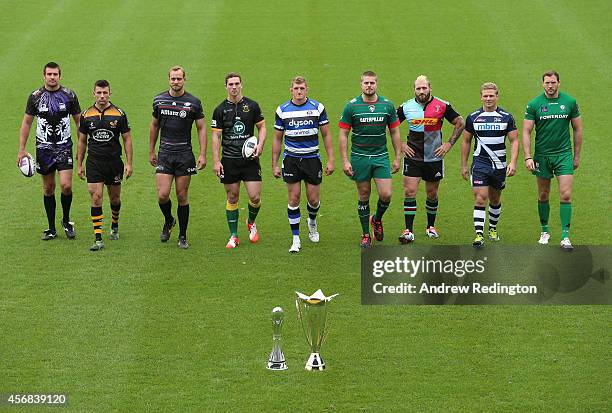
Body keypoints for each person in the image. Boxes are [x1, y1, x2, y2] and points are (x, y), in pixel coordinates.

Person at [396, 75, 464, 243]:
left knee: (432, 193)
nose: (421, 92)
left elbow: (460, 122)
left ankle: (430, 226)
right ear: (414, 90)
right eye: (418, 89)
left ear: (430, 88)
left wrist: (449, 144)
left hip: (434, 157)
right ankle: (408, 231)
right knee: (409, 191)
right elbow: (389, 125)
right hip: (413, 157)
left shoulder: (442, 105)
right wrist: (401, 144)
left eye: (424, 88)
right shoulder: (406, 107)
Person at [17, 62, 81, 240]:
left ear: (60, 75)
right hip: (44, 148)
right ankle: (52, 228)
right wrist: (22, 149)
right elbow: (27, 123)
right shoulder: (35, 97)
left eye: (55, 74)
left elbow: (79, 122)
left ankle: (66, 221)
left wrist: (82, 149)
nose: (52, 77)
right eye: (49, 74)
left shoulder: (69, 96)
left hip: (64, 146)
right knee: (48, 188)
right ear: (43, 75)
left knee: (66, 186)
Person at [338, 70, 402, 248]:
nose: (369, 86)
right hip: (359, 157)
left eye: (372, 83)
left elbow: (395, 131)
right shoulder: (351, 106)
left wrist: (398, 157)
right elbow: (343, 134)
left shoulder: (387, 105)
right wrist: (345, 160)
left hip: (380, 156)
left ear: (376, 84)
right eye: (366, 83)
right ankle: (366, 234)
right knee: (364, 194)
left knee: (386, 194)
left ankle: (377, 219)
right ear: (361, 84)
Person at [272, 76, 335, 253]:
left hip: (312, 159)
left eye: (302, 88)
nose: (299, 91)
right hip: (291, 159)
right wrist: (274, 164)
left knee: (313, 200)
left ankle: (312, 222)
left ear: (307, 89)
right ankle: (296, 239)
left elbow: (326, 135)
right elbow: (277, 138)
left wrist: (331, 159)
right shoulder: (282, 110)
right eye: (296, 88)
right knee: (294, 198)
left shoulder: (317, 108)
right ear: (291, 90)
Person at [522, 70, 582, 251]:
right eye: (547, 83)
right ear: (542, 84)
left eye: (553, 82)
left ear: (559, 83)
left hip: (563, 154)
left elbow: (578, 129)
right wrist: (528, 156)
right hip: (542, 156)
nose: (550, 86)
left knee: (565, 194)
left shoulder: (570, 102)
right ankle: (545, 231)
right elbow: (526, 131)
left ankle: (565, 236)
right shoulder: (534, 104)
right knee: (543, 194)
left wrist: (576, 155)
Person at [149, 66, 207, 249]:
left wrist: (203, 154)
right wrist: (151, 151)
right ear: (168, 79)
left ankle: (182, 235)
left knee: (182, 196)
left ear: (184, 80)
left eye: (179, 79)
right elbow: (154, 126)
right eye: (173, 79)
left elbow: (201, 128)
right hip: (165, 153)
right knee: (162, 195)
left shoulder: (193, 103)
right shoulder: (159, 100)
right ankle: (169, 220)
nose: (176, 82)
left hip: (184, 154)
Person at [211, 73, 266, 249]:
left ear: (241, 85)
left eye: (236, 84)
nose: (234, 87)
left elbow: (262, 127)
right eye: (230, 84)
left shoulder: (252, 105)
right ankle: (234, 235)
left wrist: (261, 144)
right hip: (229, 160)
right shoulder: (220, 110)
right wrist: (216, 161)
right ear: (225, 86)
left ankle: (251, 221)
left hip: (250, 159)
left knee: (255, 196)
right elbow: (216, 136)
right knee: (232, 197)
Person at [77, 80, 133, 251]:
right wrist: (79, 164)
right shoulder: (86, 115)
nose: (102, 96)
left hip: (114, 162)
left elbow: (127, 139)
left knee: (114, 198)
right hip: (94, 162)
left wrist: (129, 163)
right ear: (93, 93)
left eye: (105, 93)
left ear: (110, 93)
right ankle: (98, 238)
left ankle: (114, 225)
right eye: (99, 93)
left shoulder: (119, 114)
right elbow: (82, 141)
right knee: (96, 197)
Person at [461, 82, 518, 248]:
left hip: (499, 165)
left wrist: (513, 162)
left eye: (491, 95)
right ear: (481, 97)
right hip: (480, 163)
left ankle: (492, 228)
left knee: (495, 198)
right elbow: (466, 141)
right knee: (480, 198)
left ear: (497, 96)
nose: (488, 99)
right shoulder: (473, 117)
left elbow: (514, 141)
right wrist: (464, 165)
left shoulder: (507, 117)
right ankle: (479, 235)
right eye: (485, 96)